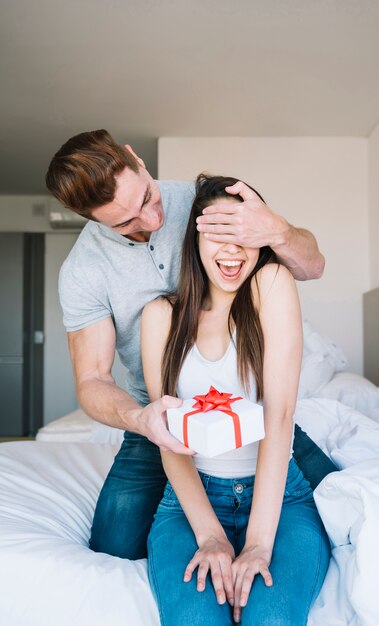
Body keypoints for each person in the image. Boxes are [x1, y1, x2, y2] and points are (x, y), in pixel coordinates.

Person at [45, 129, 334, 560]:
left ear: (135, 158)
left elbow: (312, 266)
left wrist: (278, 229)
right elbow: (91, 379)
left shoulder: (207, 203)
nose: (151, 220)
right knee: (114, 546)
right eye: (125, 222)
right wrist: (142, 419)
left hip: (248, 403)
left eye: (146, 198)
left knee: (341, 506)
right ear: (88, 217)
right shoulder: (83, 272)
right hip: (160, 415)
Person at [142, 174, 330, 626]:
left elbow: (280, 415)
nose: (232, 251)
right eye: (218, 235)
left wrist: (259, 544)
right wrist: (210, 535)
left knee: (272, 620)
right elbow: (167, 438)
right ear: (194, 239)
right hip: (191, 502)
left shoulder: (271, 283)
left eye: (244, 235)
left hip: (281, 499)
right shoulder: (159, 316)